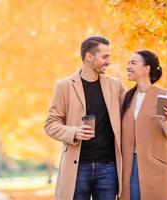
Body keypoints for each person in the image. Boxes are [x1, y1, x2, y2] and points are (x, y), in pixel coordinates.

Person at [44, 36, 124, 200]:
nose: (108, 62)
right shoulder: (64, 86)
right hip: (77, 166)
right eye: (104, 57)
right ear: (89, 56)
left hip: (108, 167)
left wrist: (165, 101)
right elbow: (50, 125)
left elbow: (135, 105)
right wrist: (74, 132)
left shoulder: (115, 85)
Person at [120, 50, 167, 200]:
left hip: (154, 167)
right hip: (129, 165)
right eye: (128, 63)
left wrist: (165, 121)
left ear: (146, 69)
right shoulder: (125, 98)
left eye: (133, 63)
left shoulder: (164, 96)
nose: (128, 66)